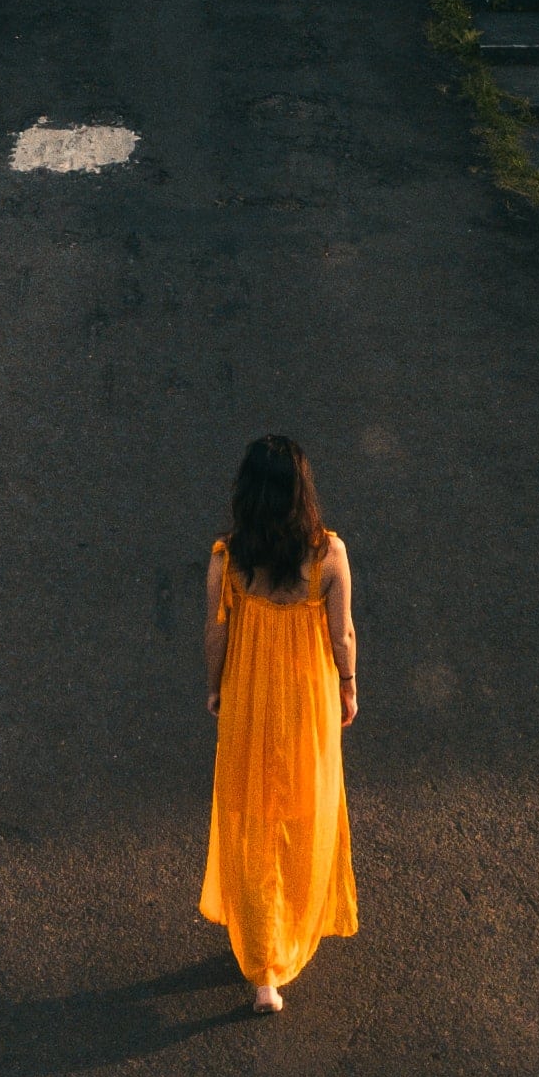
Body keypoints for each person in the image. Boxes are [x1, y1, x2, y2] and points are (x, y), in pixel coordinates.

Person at [202, 433, 358, 1013]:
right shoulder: (327, 557)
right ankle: (284, 933)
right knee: (300, 808)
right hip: (304, 703)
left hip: (250, 696)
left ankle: (261, 960)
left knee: (251, 814)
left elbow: (215, 632)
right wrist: (347, 684)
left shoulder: (229, 558)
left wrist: (215, 688)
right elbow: (341, 635)